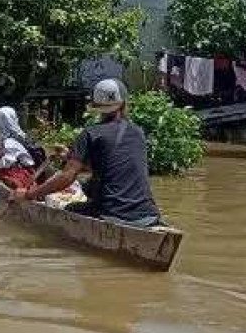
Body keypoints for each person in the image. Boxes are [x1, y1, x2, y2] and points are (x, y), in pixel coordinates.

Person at [13, 78, 161, 227]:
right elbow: (111, 164)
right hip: (148, 213)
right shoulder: (138, 132)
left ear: (96, 106)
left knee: (70, 207)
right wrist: (70, 156)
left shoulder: (90, 133)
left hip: (111, 214)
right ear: (123, 102)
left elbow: (66, 177)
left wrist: (29, 194)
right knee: (86, 185)